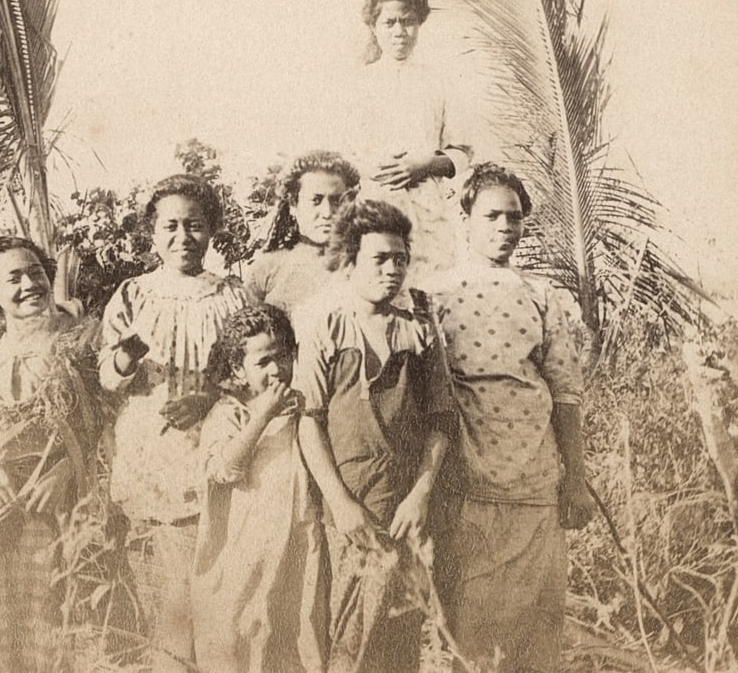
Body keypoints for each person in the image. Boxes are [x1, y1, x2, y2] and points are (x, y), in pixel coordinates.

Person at [427, 163, 596, 672]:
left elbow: (565, 393)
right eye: (492, 216)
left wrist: (576, 481)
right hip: (467, 482)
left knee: (535, 629)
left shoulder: (541, 295)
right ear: (467, 220)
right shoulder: (434, 295)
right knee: (470, 628)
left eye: (514, 217)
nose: (505, 227)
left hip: (535, 483)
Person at [293, 199, 457, 673]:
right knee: (345, 635)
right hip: (347, 508)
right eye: (379, 259)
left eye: (400, 258)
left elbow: (441, 420)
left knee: (398, 632)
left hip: (405, 506)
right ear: (351, 261)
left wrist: (421, 494)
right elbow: (309, 420)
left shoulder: (419, 327)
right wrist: (341, 504)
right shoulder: (327, 323)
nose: (392, 269)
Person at [99, 173, 249, 672]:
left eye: (196, 225)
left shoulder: (233, 295)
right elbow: (107, 379)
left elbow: (255, 371)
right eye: (171, 226)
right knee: (168, 603)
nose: (183, 237)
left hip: (217, 449)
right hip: (153, 458)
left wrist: (209, 394)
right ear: (152, 232)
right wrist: (127, 355)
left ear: (213, 231)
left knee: (216, 595)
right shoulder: (133, 295)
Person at [0, 236, 103, 672]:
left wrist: (64, 471)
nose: (29, 284)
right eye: (12, 278)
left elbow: (102, 416)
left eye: (35, 272)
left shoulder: (79, 338)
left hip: (58, 495)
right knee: (2, 613)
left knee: (59, 609)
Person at [191, 304, 328, 673]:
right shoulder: (230, 412)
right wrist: (262, 414)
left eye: (283, 356)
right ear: (238, 369)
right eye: (263, 361)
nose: (276, 370)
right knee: (241, 632)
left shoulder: (302, 408)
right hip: (244, 549)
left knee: (293, 633)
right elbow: (224, 469)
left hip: (296, 543)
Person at [349, 0, 474, 283]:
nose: (400, 31)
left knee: (430, 292)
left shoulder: (439, 82)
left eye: (408, 21)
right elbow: (344, 157)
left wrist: (427, 164)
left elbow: (462, 151)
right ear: (374, 28)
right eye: (389, 23)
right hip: (374, 205)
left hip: (428, 211)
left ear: (419, 24)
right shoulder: (358, 85)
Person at [246, 150, 360, 317]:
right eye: (316, 200)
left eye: (337, 201)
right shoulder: (267, 268)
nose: (327, 213)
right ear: (293, 204)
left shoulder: (364, 263)